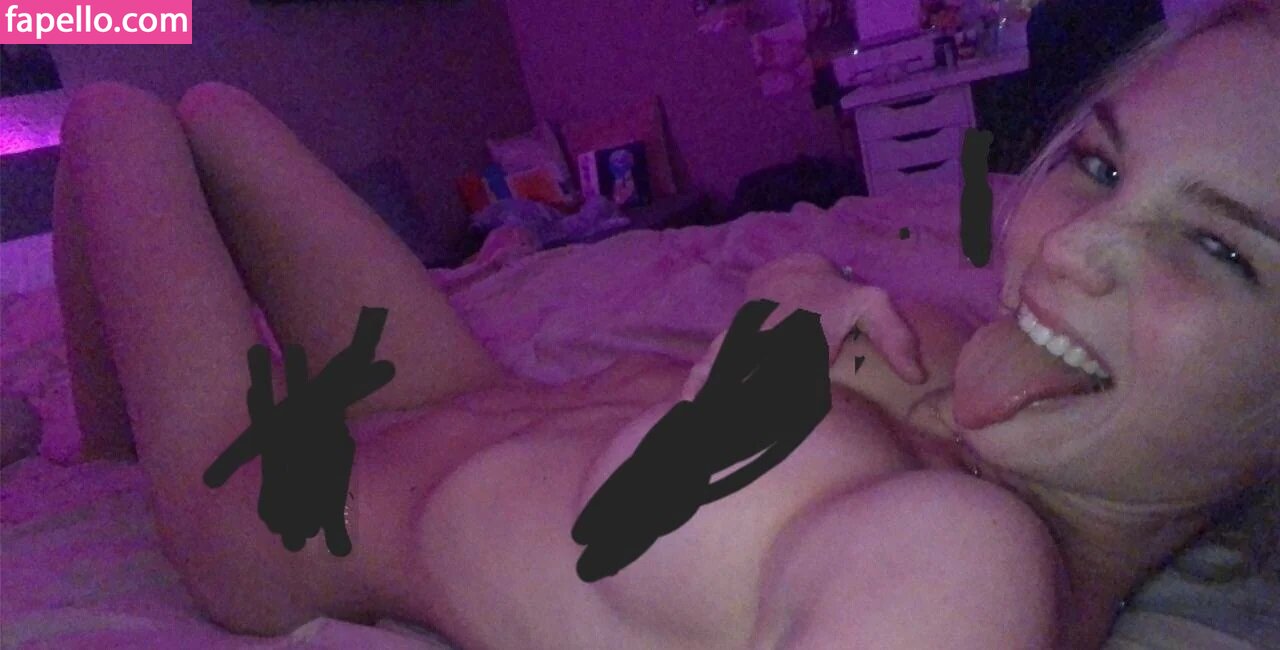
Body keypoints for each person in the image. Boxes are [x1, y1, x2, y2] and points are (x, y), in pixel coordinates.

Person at [52, 1, 1278, 647]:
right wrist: (795, 297)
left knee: (111, 102)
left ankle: (109, 455)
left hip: (287, 504)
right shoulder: (988, 377)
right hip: (440, 388)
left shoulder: (965, 571)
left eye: (1219, 250)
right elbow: (788, 294)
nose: (1068, 243)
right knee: (210, 107)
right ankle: (106, 438)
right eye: (1098, 166)